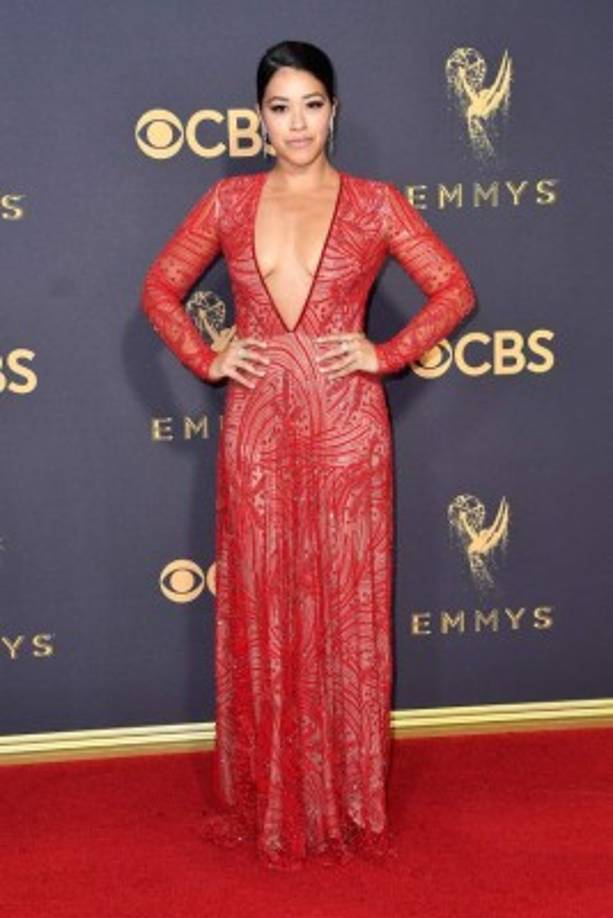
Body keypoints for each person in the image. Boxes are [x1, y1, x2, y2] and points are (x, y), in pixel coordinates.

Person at [140, 39, 476, 871]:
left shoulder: (374, 203)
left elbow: (454, 290)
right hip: (256, 431)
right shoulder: (226, 199)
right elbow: (158, 288)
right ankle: (271, 799)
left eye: (312, 103)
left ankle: (345, 801)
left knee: (346, 609)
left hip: (349, 430)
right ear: (258, 118)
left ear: (334, 110)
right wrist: (207, 355)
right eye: (280, 107)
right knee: (264, 605)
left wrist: (384, 353)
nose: (297, 122)